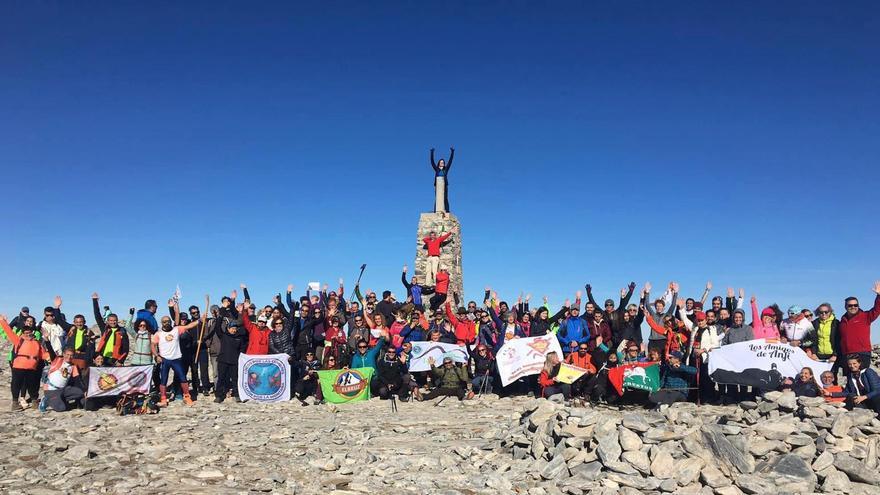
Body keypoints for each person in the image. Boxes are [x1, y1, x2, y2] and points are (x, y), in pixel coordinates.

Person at [152, 304, 204, 407]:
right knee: (164, 379)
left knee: (183, 378)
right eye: (164, 322)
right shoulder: (158, 334)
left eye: (168, 321)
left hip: (176, 359)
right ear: (161, 323)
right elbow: (153, 345)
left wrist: (199, 320)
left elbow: (189, 326)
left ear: (170, 322)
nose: (166, 323)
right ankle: (163, 399)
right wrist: (156, 355)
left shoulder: (177, 329)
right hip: (165, 360)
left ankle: (187, 397)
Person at [0, 314, 48, 410]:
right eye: (25, 332)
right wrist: (2, 321)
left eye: (29, 332)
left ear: (32, 332)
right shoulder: (18, 340)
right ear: (22, 333)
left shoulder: (37, 342)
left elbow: (43, 354)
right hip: (18, 367)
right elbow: (8, 332)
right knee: (16, 384)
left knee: (33, 385)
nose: (27, 334)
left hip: (32, 367)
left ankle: (34, 401)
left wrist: (52, 358)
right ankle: (15, 403)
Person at [838, 282, 880, 368]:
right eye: (850, 305)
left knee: (863, 378)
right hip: (846, 354)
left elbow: (877, 309)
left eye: (855, 305)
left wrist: (879, 296)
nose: (853, 307)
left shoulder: (866, 316)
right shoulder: (842, 321)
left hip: (862, 353)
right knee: (850, 379)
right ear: (845, 307)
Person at [40, 346, 85, 413]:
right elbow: (51, 351)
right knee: (61, 408)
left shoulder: (73, 366)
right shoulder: (57, 360)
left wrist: (85, 391)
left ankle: (60, 399)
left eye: (71, 355)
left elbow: (78, 380)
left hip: (63, 389)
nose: (69, 357)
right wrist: (47, 340)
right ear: (63, 354)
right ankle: (46, 400)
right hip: (51, 390)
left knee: (80, 392)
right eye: (67, 355)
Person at [91, 293, 130, 365]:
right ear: (108, 321)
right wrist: (95, 301)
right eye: (111, 321)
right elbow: (97, 316)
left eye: (114, 320)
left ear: (117, 320)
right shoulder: (105, 329)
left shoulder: (122, 331)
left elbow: (126, 348)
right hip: (102, 358)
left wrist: (121, 360)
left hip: (115, 360)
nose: (113, 322)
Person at [214, 319, 247, 403]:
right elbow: (217, 328)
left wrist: (240, 357)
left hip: (234, 362)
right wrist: (219, 317)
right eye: (232, 328)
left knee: (235, 379)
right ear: (228, 328)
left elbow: (242, 348)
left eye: (235, 328)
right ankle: (219, 396)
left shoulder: (239, 337)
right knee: (221, 379)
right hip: (223, 361)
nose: (234, 330)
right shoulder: (223, 335)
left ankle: (237, 395)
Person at [644, 282, 678, 353]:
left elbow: (673, 305)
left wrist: (675, 293)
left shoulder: (667, 315)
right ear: (655, 307)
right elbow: (647, 305)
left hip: (663, 340)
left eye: (660, 306)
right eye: (657, 306)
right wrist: (647, 292)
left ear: (663, 307)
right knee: (652, 360)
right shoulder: (653, 315)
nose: (659, 307)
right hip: (652, 340)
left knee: (662, 360)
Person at [429, 146, 454, 213]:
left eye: (443, 162)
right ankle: (435, 211)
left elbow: (450, 161)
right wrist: (432, 152)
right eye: (441, 162)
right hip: (438, 184)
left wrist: (452, 152)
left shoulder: (446, 169)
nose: (442, 163)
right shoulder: (436, 169)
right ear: (439, 163)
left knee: (445, 198)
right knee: (437, 198)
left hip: (444, 184)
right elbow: (432, 162)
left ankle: (447, 211)